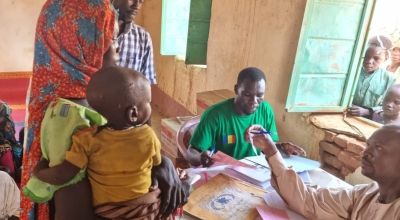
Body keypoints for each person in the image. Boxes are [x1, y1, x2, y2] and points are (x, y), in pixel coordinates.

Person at [22, 1, 187, 219]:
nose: (118, 46)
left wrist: (159, 162)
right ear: (82, 43)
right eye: (110, 38)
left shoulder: (92, 102)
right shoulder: (69, 121)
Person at [33, 66, 177, 219]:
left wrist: (39, 171)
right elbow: (156, 163)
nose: (150, 106)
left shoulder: (86, 139)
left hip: (108, 214)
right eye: (148, 102)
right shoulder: (148, 136)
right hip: (143, 211)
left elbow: (64, 174)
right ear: (133, 113)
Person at [246, 124, 400, 219]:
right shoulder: (364, 195)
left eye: (378, 148)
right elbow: (308, 200)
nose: (365, 153)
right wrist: (270, 150)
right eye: (368, 145)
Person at [187, 67, 305, 167]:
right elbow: (191, 152)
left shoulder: (265, 110)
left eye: (259, 95)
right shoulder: (215, 115)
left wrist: (283, 148)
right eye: (247, 95)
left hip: (255, 174)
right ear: (236, 89)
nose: (254, 101)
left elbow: (268, 147)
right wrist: (201, 158)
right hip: (224, 174)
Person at [113, 0, 157, 85]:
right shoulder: (93, 32)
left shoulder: (143, 38)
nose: (137, 5)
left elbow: (148, 83)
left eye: (141, 1)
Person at [349, 45, 395, 118]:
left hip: (370, 120)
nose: (369, 61)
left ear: (385, 59)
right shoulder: (350, 71)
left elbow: (392, 105)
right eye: (366, 56)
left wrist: (367, 111)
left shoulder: (390, 79)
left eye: (376, 58)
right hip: (345, 112)